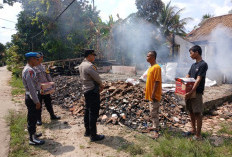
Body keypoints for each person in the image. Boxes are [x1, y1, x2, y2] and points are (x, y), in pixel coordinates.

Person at [79, 49, 105, 142]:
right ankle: (93, 135)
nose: (94, 57)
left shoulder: (81, 65)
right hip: (92, 91)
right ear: (89, 55)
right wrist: (101, 85)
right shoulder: (89, 66)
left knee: (87, 110)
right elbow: (97, 77)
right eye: (93, 55)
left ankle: (88, 131)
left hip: (86, 90)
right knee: (93, 113)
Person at [185, 45, 208, 140]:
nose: (190, 55)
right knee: (191, 111)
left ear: (197, 52)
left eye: (191, 53)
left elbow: (198, 80)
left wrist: (191, 91)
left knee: (197, 113)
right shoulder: (193, 65)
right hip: (189, 92)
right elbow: (188, 75)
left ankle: (198, 135)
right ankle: (193, 130)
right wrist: (182, 83)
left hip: (196, 92)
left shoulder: (203, 64)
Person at [22, 52, 45, 145]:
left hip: (33, 95)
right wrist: (36, 101)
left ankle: (33, 134)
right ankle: (32, 139)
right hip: (32, 97)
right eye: (36, 59)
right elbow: (31, 87)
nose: (37, 60)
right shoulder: (29, 70)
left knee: (34, 117)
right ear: (31, 59)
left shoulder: (31, 69)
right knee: (32, 118)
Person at [34, 52, 60, 125]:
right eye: (39, 57)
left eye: (42, 57)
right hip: (38, 89)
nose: (41, 58)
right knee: (38, 104)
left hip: (46, 88)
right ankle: (38, 119)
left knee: (48, 102)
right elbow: (34, 80)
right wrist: (39, 86)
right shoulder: (33, 67)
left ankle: (52, 115)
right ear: (36, 58)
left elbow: (48, 75)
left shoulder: (44, 66)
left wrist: (51, 84)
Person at [144, 50, 162, 139]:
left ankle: (156, 132)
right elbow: (150, 81)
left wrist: (153, 93)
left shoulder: (157, 67)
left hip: (154, 95)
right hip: (150, 95)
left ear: (153, 57)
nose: (147, 57)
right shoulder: (150, 67)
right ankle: (154, 126)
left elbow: (157, 82)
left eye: (148, 56)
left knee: (154, 113)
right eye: (147, 56)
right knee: (152, 112)